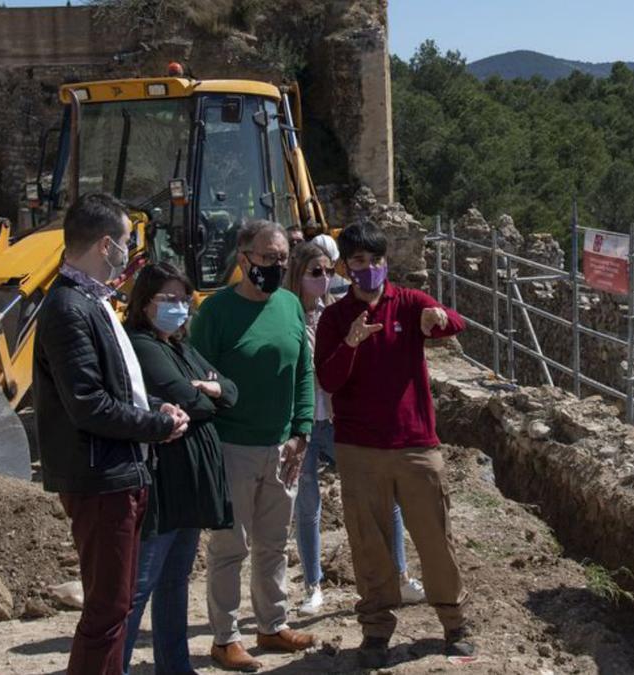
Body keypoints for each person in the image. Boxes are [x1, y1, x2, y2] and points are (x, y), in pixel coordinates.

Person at [33, 192, 190, 675]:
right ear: (105, 245)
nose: (130, 251)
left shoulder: (91, 302)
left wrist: (149, 408)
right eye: (126, 241)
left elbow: (113, 387)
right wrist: (158, 425)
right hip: (100, 477)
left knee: (114, 606)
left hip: (119, 472)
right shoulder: (67, 308)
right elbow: (89, 405)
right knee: (106, 610)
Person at [315, 222, 473, 669]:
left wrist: (439, 320)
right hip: (359, 449)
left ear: (386, 263)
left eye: (377, 261)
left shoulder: (407, 303)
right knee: (369, 543)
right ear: (347, 267)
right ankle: (376, 631)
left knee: (434, 539)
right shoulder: (334, 318)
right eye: (360, 263)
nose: (370, 270)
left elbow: (452, 322)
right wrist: (350, 344)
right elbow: (327, 379)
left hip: (416, 445)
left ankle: (454, 623)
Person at [191, 220, 317, 672]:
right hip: (232, 447)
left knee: (273, 544)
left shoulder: (289, 306)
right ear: (243, 258)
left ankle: (272, 624)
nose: (277, 267)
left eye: (283, 259)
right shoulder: (216, 312)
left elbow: (304, 370)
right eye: (268, 258)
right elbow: (197, 378)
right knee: (230, 546)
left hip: (281, 446)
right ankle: (225, 638)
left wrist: (302, 431)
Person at [284, 242, 424, 617]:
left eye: (330, 271)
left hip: (337, 418)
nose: (326, 279)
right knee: (308, 505)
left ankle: (400, 575)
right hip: (303, 421)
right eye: (317, 272)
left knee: (383, 498)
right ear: (298, 274)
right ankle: (313, 586)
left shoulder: (338, 313)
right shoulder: (285, 315)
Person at [121, 261, 239, 675]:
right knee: (141, 584)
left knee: (174, 582)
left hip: (190, 485)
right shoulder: (143, 344)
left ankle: (174, 666)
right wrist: (208, 391)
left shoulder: (179, 345)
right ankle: (112, 665)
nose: (178, 306)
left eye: (183, 299)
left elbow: (230, 391)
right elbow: (189, 399)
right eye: (167, 299)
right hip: (163, 482)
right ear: (144, 302)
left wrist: (208, 388)